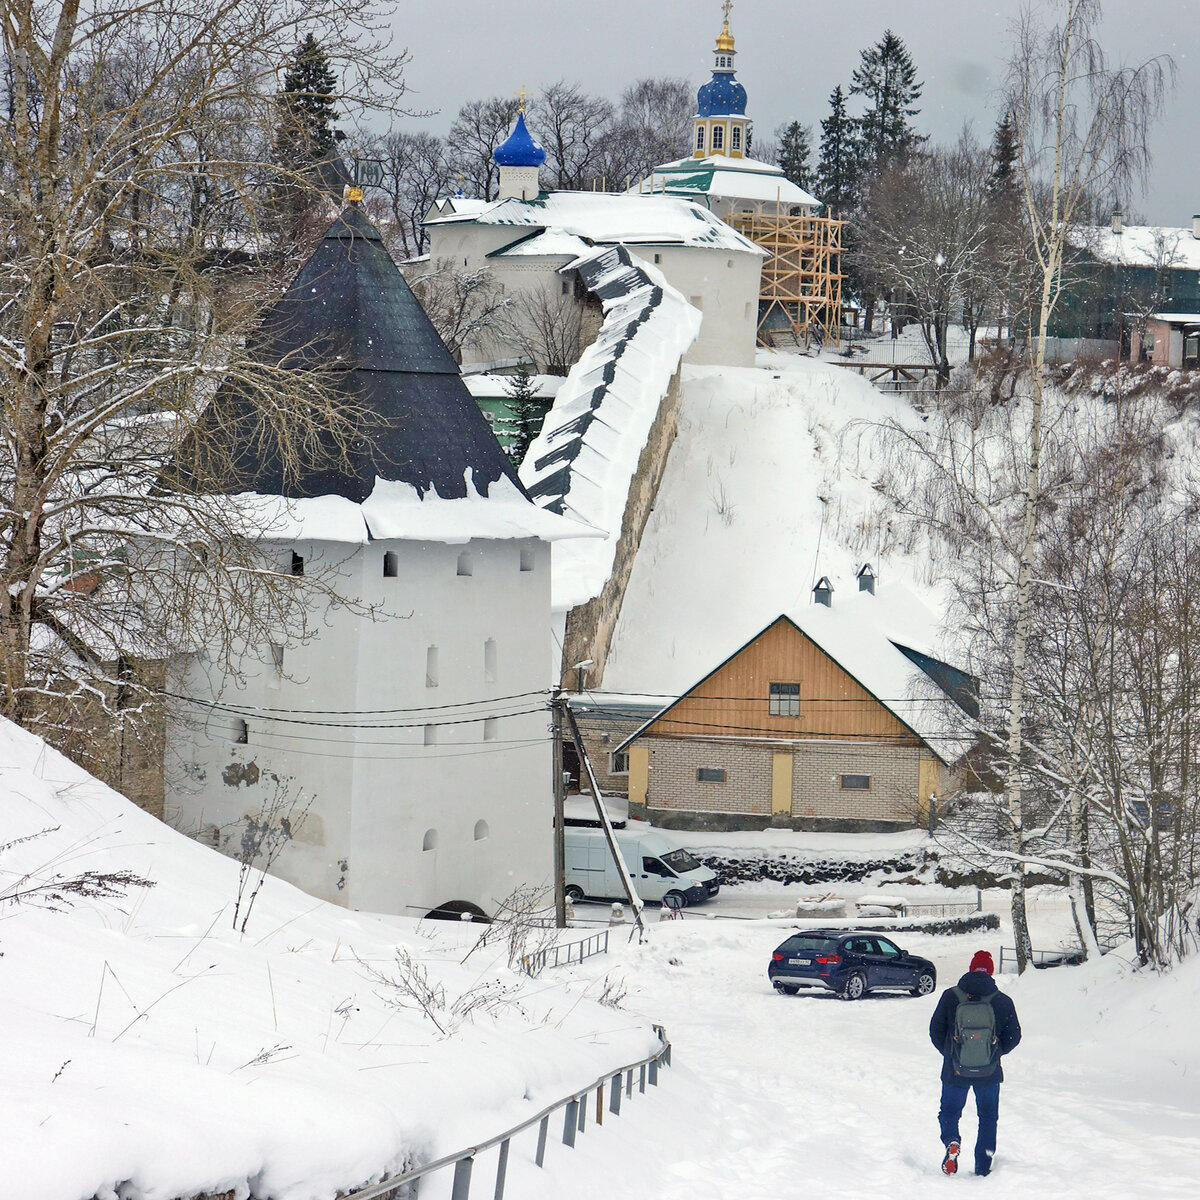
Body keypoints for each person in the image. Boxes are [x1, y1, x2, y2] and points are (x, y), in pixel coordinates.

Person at [928, 950, 1021, 1177]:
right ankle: (983, 1165)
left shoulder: (951, 996)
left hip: (954, 1070)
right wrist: (994, 1053)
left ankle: (952, 1141)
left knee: (949, 1112)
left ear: (970, 969)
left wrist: (952, 1053)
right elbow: (1014, 1036)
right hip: (989, 1073)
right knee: (988, 1117)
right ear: (990, 972)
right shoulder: (1002, 1001)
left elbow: (935, 1030)